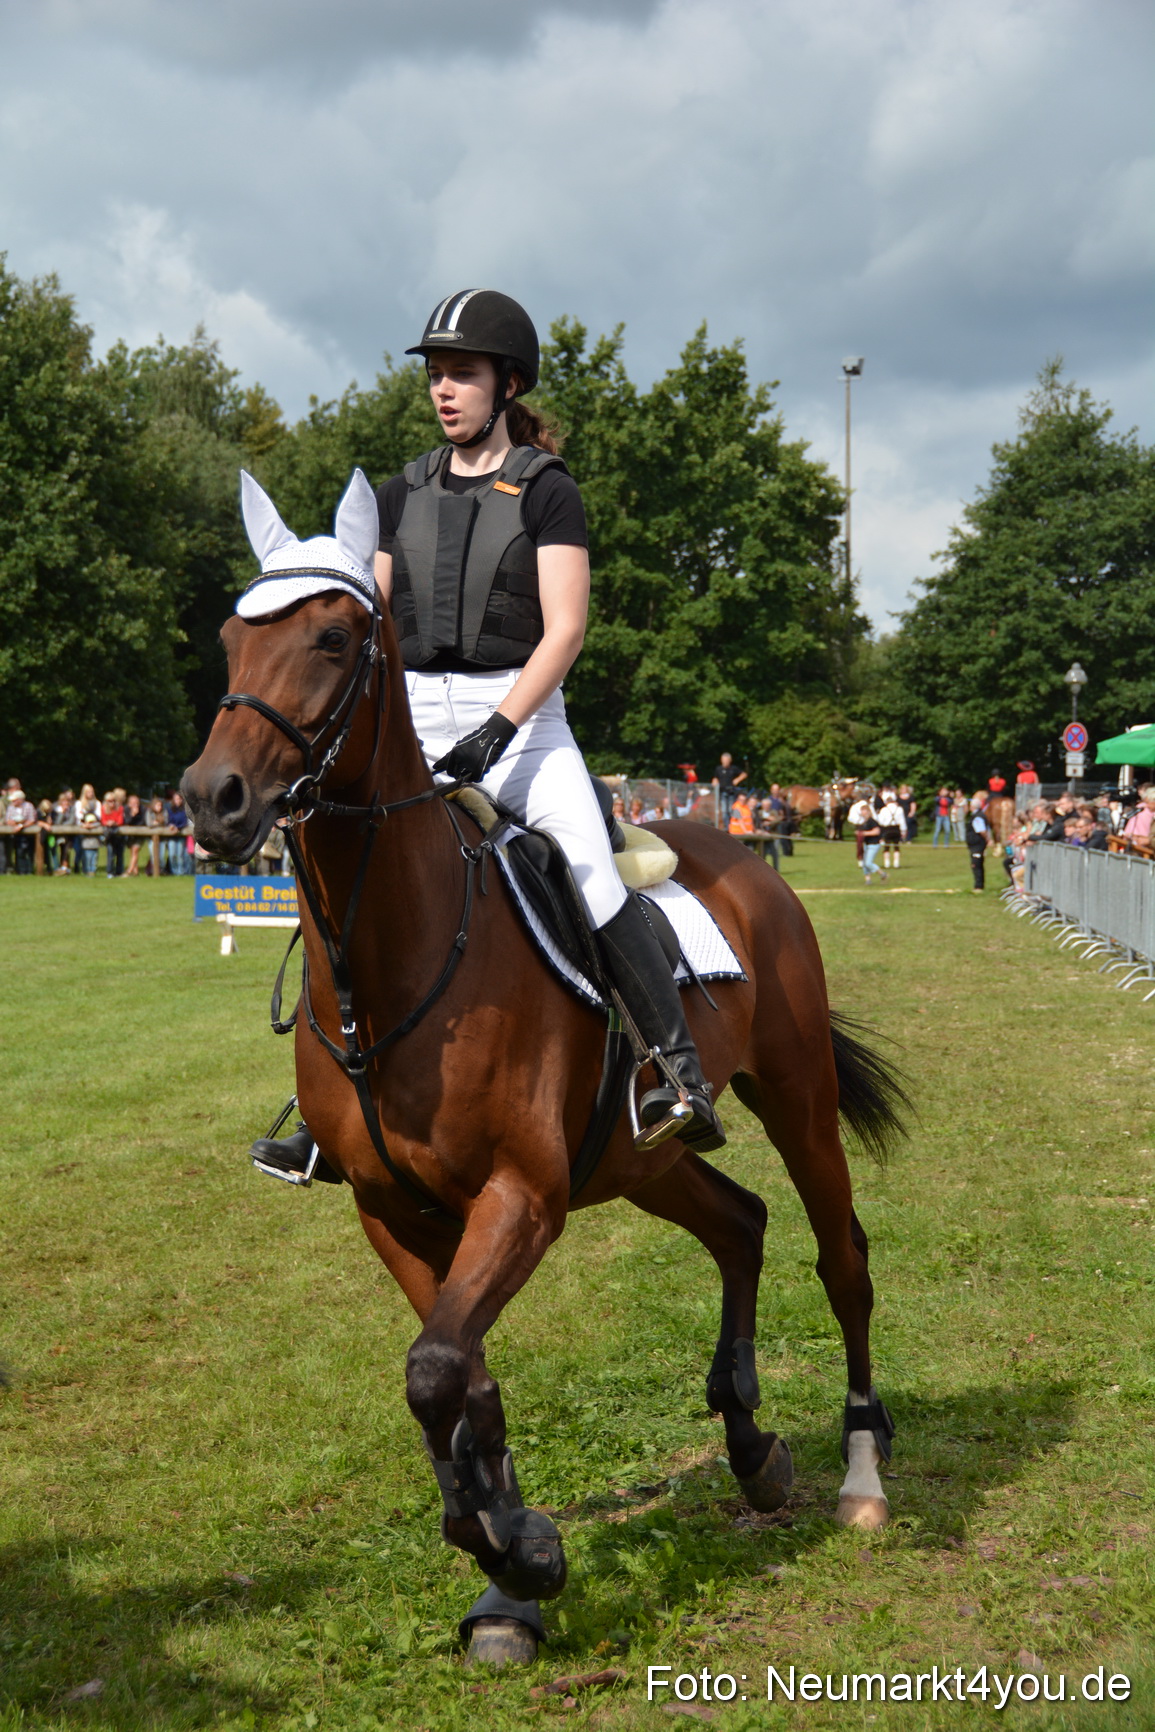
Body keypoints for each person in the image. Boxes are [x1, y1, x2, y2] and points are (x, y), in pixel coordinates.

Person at [251, 288, 725, 1179]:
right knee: (348, 875)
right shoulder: (399, 494)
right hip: (413, 725)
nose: (443, 389)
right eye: (435, 374)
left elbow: (566, 630)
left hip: (524, 722)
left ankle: (673, 1072)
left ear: (507, 384)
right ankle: (326, 1109)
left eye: (461, 373)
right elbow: (370, 619)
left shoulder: (548, 491)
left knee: (589, 869)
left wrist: (499, 731)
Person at [3, 782, 38, 874]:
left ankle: (29, 870)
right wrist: (15, 823)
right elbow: (7, 820)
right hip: (15, 833)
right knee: (18, 852)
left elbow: (32, 820)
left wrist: (21, 825)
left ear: (20, 800)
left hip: (28, 833)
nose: (13, 802)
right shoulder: (11, 807)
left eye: (15, 800)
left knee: (28, 852)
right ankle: (20, 870)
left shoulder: (29, 806)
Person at [875, 786, 907, 871]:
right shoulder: (899, 809)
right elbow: (902, 821)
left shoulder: (884, 810)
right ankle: (896, 863)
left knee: (886, 847)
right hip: (896, 828)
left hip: (887, 828)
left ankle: (887, 864)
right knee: (896, 846)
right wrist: (903, 831)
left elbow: (880, 821)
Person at [965, 793, 991, 891]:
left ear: (972, 806)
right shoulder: (977, 815)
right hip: (976, 844)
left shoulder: (977, 817)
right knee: (977, 864)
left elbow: (982, 831)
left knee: (976, 864)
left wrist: (987, 839)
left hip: (977, 844)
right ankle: (979, 885)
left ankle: (978, 886)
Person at [711, 752, 746, 825]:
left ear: (730, 760)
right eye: (724, 760)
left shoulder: (733, 768)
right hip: (722, 792)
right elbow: (715, 778)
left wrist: (737, 780)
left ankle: (731, 825)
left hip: (731, 792)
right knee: (724, 810)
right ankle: (726, 826)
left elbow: (744, 774)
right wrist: (714, 781)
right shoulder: (719, 769)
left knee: (731, 810)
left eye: (726, 760)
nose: (725, 762)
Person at [857, 801, 885, 884]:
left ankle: (882, 873)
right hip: (866, 844)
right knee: (864, 863)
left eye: (864, 811)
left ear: (868, 812)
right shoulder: (864, 822)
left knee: (868, 863)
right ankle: (868, 879)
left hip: (874, 844)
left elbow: (877, 831)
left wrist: (864, 833)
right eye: (862, 811)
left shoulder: (872, 821)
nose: (863, 813)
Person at [165, 791, 192, 874]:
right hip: (172, 835)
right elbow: (168, 820)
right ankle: (174, 871)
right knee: (172, 854)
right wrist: (171, 825)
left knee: (180, 854)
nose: (177, 801)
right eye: (176, 799)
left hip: (181, 835)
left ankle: (181, 871)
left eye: (179, 799)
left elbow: (185, 822)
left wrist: (178, 828)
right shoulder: (170, 810)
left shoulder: (184, 810)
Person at [101, 789, 125, 878]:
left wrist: (113, 822)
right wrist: (108, 823)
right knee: (110, 852)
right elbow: (103, 820)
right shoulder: (103, 808)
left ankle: (119, 872)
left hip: (117, 832)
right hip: (109, 833)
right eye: (110, 801)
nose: (112, 803)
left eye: (114, 801)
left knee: (120, 853)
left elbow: (120, 820)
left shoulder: (120, 808)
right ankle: (110, 871)